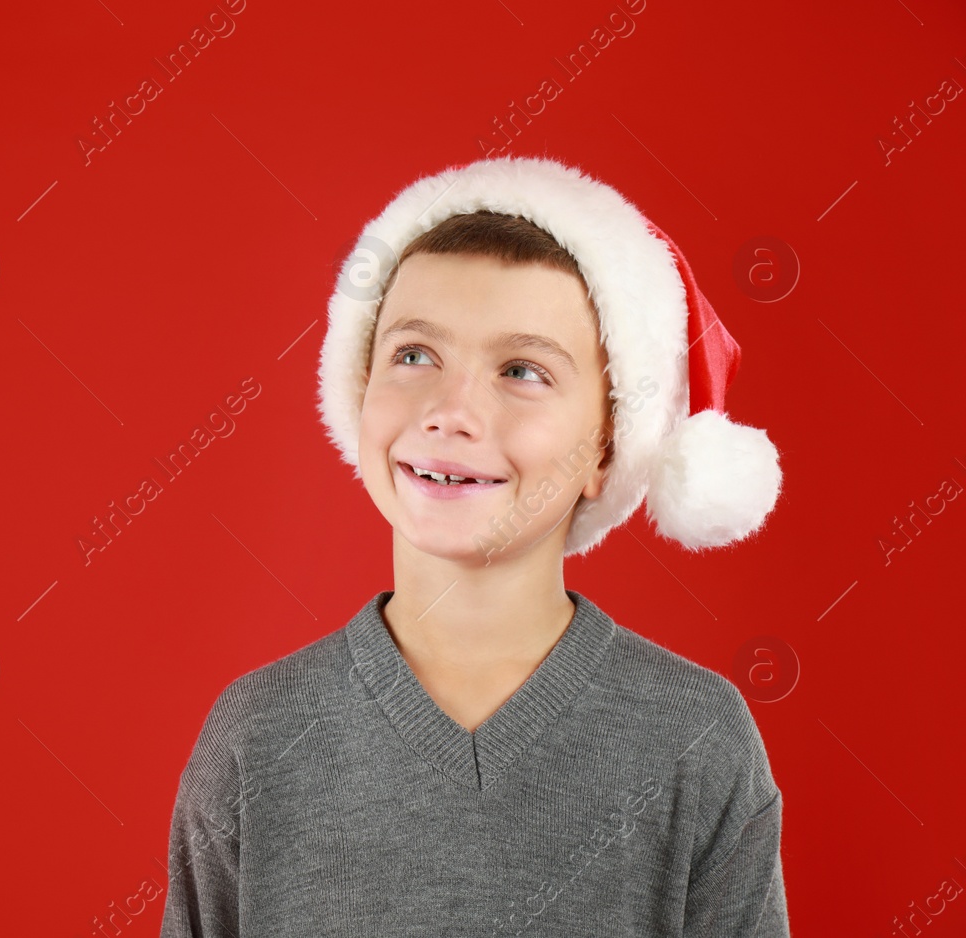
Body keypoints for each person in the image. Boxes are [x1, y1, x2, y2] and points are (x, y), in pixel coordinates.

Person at [158, 155, 789, 936]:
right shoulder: (257, 735)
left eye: (522, 370)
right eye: (415, 355)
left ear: (605, 449)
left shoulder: (696, 739)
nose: (450, 412)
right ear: (357, 391)